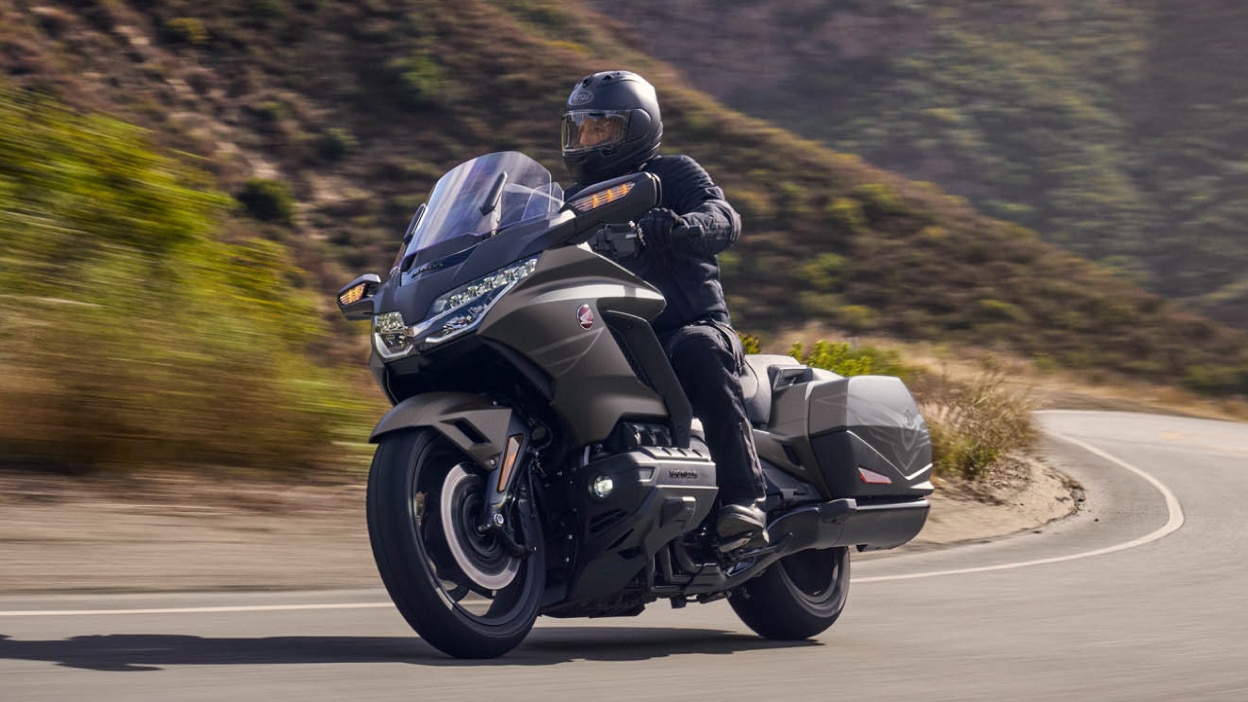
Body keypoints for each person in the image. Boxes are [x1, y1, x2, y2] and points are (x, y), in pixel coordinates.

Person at [561, 70, 768, 549]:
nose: (588, 138)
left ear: (637, 127)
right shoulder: (571, 202)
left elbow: (724, 218)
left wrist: (678, 228)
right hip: (610, 337)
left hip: (686, 327)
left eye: (601, 127)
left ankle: (746, 499)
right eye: (582, 128)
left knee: (698, 350)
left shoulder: (673, 174)